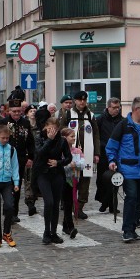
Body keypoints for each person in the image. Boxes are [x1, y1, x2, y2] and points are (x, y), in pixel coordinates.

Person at [106, 97, 140, 243]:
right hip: (127, 168)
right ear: (136, 110)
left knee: (139, 199)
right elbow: (111, 146)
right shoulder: (123, 126)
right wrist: (112, 160)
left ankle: (134, 225)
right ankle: (127, 230)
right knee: (131, 196)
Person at [60, 91, 100, 220]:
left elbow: (96, 135)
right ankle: (69, 204)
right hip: (71, 153)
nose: (82, 102)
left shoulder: (91, 115)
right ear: (75, 101)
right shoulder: (68, 114)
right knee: (71, 179)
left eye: (84, 100)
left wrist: (97, 153)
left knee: (85, 180)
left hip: (87, 153)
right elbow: (62, 132)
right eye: (79, 100)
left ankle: (80, 207)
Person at [33, 118, 72, 244]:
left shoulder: (62, 141)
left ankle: (53, 232)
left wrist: (58, 162)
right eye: (49, 128)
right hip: (43, 173)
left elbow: (68, 157)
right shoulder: (39, 138)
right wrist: (49, 140)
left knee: (55, 204)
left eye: (54, 129)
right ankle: (46, 231)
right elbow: (39, 153)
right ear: (45, 127)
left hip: (57, 174)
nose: (52, 131)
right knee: (48, 202)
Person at [0, 99, 35, 221]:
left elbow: (30, 142)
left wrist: (30, 157)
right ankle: (7, 209)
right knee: (6, 185)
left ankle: (14, 212)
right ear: (9, 111)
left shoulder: (25, 123)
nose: (16, 113)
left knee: (17, 185)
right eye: (14, 111)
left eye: (19, 111)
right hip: (6, 158)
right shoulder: (3, 122)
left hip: (20, 158)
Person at [95, 97, 123, 213]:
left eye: (118, 107)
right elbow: (96, 136)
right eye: (114, 108)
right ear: (108, 108)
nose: (116, 110)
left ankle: (111, 205)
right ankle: (104, 201)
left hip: (117, 155)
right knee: (102, 180)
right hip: (103, 154)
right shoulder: (100, 119)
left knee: (115, 180)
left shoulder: (122, 121)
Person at [61, 128, 82, 238]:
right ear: (64, 138)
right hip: (63, 180)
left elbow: (82, 164)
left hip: (74, 179)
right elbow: (60, 165)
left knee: (70, 202)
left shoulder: (77, 151)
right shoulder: (60, 151)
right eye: (71, 136)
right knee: (67, 202)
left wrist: (76, 165)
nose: (74, 138)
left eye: (74, 136)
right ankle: (70, 226)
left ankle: (66, 226)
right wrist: (69, 166)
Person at [24, 105, 40, 215]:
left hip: (39, 157)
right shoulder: (24, 126)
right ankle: (30, 203)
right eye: (31, 111)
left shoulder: (40, 126)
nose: (33, 113)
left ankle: (34, 198)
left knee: (37, 180)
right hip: (28, 157)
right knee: (28, 180)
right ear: (27, 114)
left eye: (34, 111)